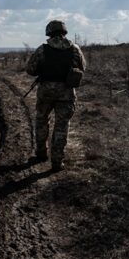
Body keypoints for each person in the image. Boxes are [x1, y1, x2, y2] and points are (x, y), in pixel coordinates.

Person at [26, 20, 86, 171]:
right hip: (66, 93)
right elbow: (82, 67)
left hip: (45, 92)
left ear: (49, 32)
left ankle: (41, 154)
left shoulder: (42, 49)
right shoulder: (75, 48)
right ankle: (57, 162)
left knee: (41, 121)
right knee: (62, 126)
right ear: (64, 31)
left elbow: (30, 69)